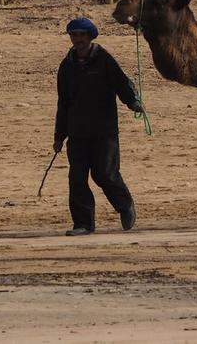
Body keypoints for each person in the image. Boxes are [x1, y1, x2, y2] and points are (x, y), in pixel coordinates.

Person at [54, 17, 145, 236]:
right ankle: (83, 224)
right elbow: (63, 102)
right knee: (77, 178)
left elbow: (122, 84)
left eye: (81, 35)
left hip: (104, 131)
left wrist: (133, 102)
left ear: (90, 36)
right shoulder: (66, 66)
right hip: (77, 132)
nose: (77, 39)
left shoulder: (104, 60)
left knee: (105, 174)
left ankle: (125, 205)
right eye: (73, 35)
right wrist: (59, 136)